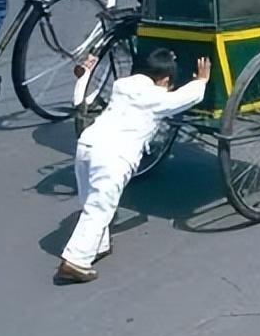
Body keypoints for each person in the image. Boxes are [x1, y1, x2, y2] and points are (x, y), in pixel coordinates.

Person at [56, 49, 211, 284]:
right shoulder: (156, 98)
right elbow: (184, 99)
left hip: (88, 145)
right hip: (114, 155)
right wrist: (201, 81)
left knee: (91, 201)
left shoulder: (122, 85)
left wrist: (87, 72)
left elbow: (83, 98)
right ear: (166, 80)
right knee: (100, 207)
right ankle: (76, 261)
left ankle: (98, 244)